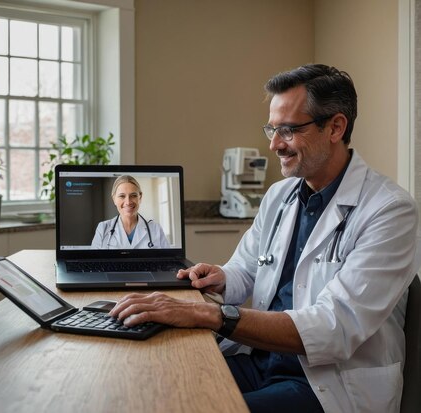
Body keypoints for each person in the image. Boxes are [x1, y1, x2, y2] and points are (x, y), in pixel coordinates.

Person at [108, 64, 419, 413]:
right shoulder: (280, 195)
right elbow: (247, 267)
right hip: (261, 360)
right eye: (272, 129)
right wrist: (222, 277)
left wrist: (213, 316)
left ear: (335, 127)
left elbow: (335, 327)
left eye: (287, 130)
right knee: (155, 386)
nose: (273, 145)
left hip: (327, 384)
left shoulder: (390, 210)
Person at [91, 175, 171, 249]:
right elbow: (93, 262)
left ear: (140, 197)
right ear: (114, 199)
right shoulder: (103, 228)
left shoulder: (155, 229)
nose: (128, 202)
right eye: (122, 196)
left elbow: (169, 261)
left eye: (133, 195)